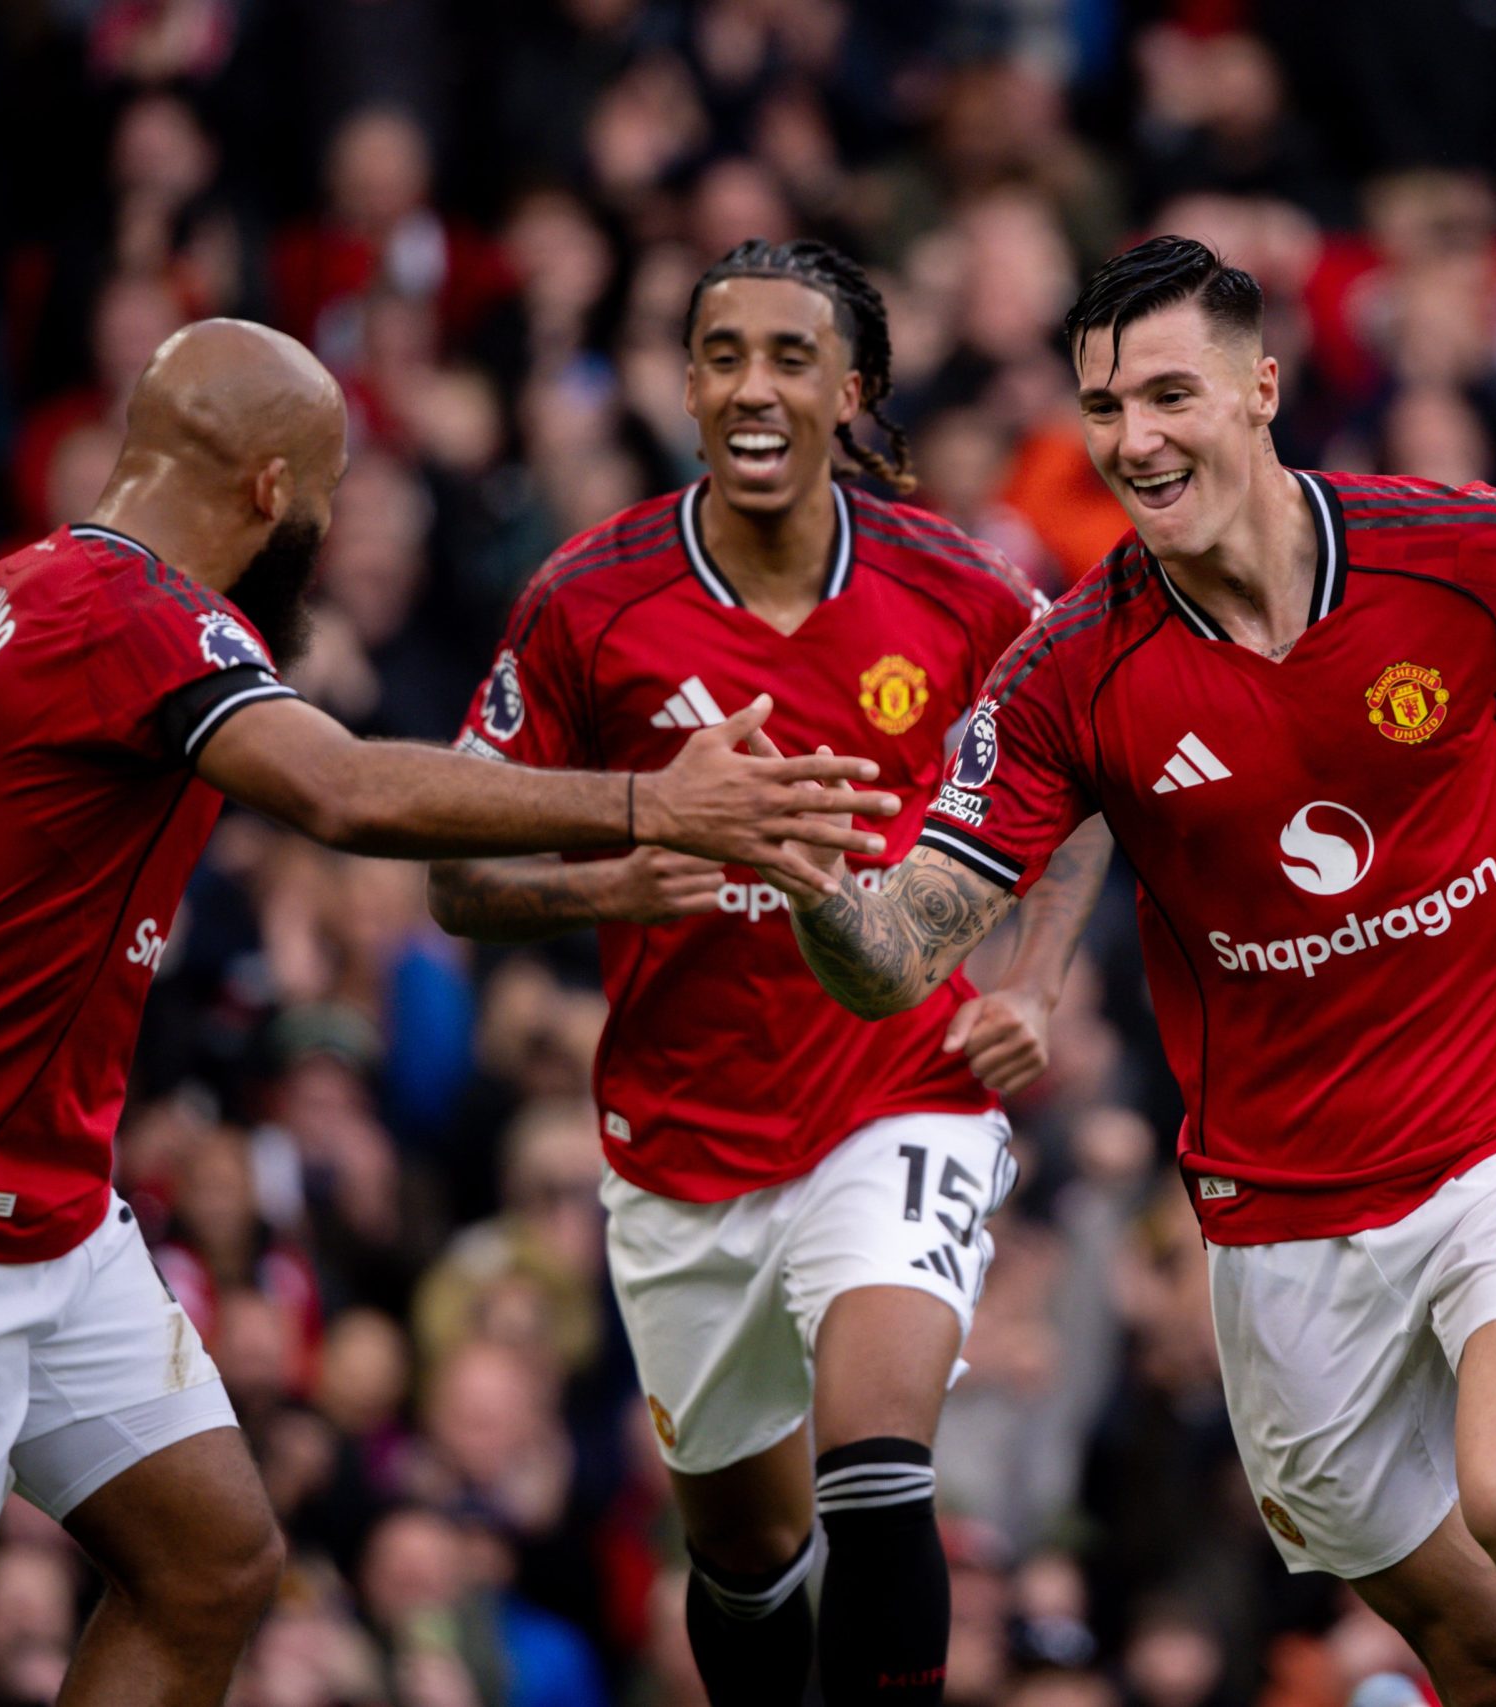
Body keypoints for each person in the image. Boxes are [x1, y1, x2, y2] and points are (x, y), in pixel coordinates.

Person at [763, 234, 1496, 1707]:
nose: (1135, 439)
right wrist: (812, 871)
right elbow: (898, 956)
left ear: (1263, 387)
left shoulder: (1464, 550)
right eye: (1103, 408)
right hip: (1286, 1206)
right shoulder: (1073, 669)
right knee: (1491, 1653)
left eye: (1168, 394)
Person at [0, 319, 889, 1706]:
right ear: (272, 492)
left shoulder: (7, 592)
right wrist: (650, 795)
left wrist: (609, 875)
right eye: (323, 503)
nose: (318, 535)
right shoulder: (148, 616)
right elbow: (344, 791)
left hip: (53, 1210)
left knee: (209, 1557)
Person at [426, 239, 1110, 1707]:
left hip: (899, 1085)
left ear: (849, 389)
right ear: (683, 384)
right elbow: (458, 871)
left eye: (790, 356)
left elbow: (1085, 784)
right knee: (742, 1555)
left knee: (875, 1464)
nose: (753, 384)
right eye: (722, 353)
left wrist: (1036, 981)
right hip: (682, 1133)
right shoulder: (589, 597)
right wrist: (625, 867)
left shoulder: (960, 590)